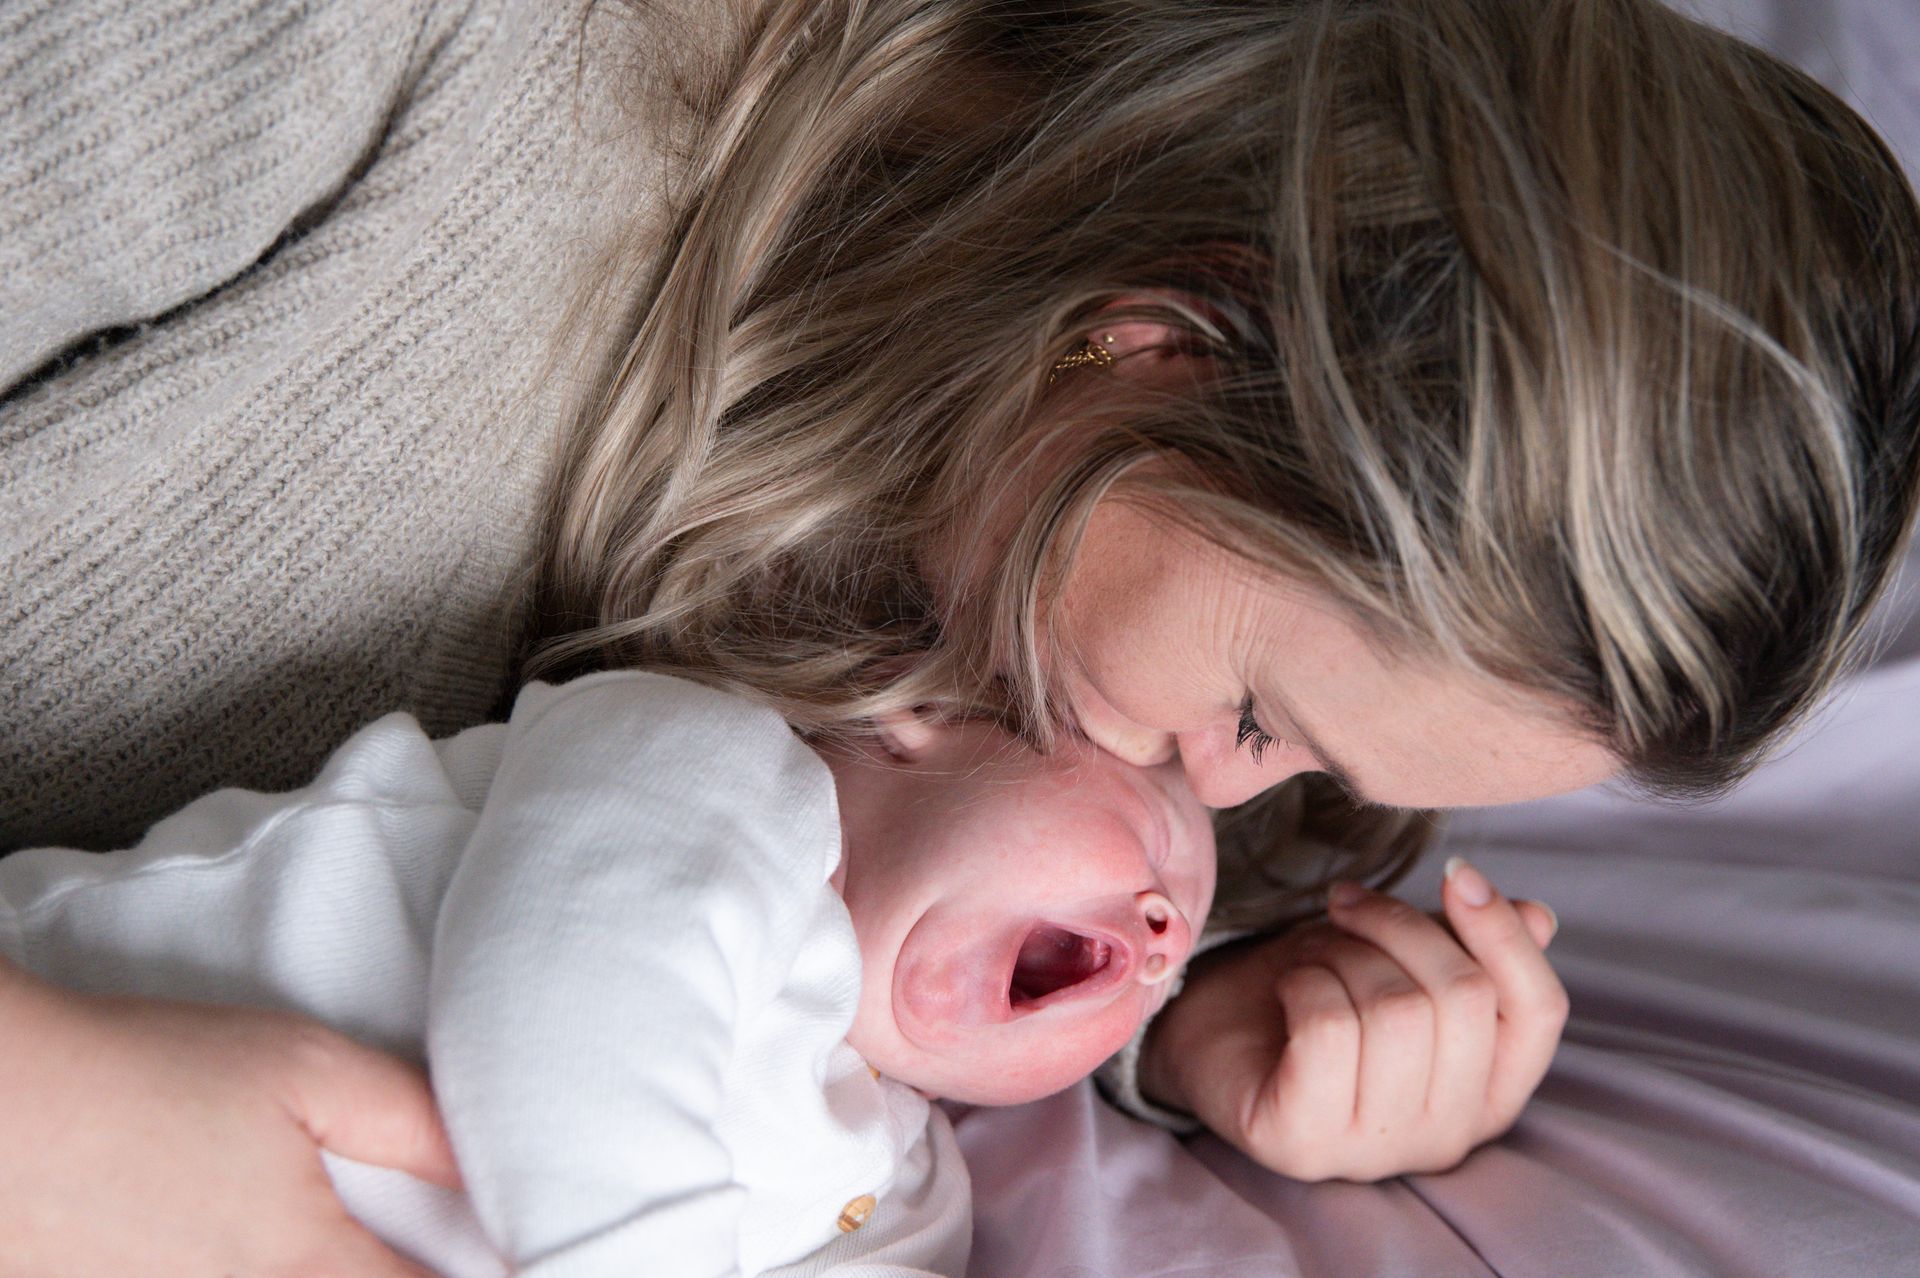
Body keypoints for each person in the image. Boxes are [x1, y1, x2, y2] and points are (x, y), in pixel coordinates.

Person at [3, 0, 1917, 1272]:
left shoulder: (1030, 615)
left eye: (1313, 772)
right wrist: (59, 1126)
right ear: (1161, 342)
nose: (1231, 793)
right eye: (1258, 709)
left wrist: (1207, 1041)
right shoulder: (389, 58)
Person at [0, 668, 1559, 1275]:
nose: (1159, 941)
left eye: (1159, 972)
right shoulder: (704, 769)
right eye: (1157, 827)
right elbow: (573, 1002)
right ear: (932, 707)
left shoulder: (900, 1175)